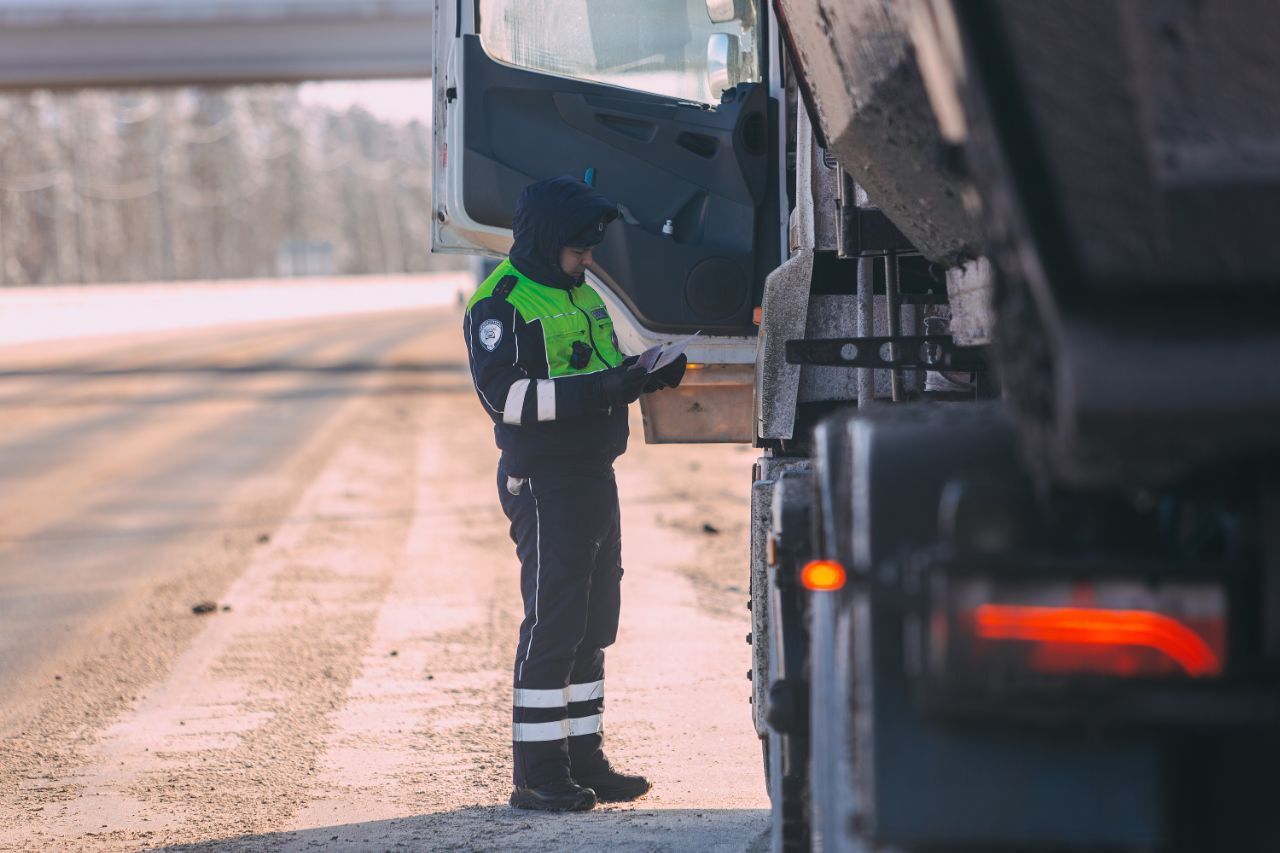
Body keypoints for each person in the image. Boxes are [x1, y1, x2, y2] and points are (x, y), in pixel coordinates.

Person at [462, 176, 687, 812]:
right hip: (545, 483)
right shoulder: (501, 304)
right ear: (545, 243)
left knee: (592, 624)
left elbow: (597, 370)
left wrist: (643, 376)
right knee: (554, 623)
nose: (588, 259)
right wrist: (611, 388)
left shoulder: (578, 293)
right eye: (578, 250)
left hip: (593, 475)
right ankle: (538, 774)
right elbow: (505, 400)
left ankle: (585, 760)